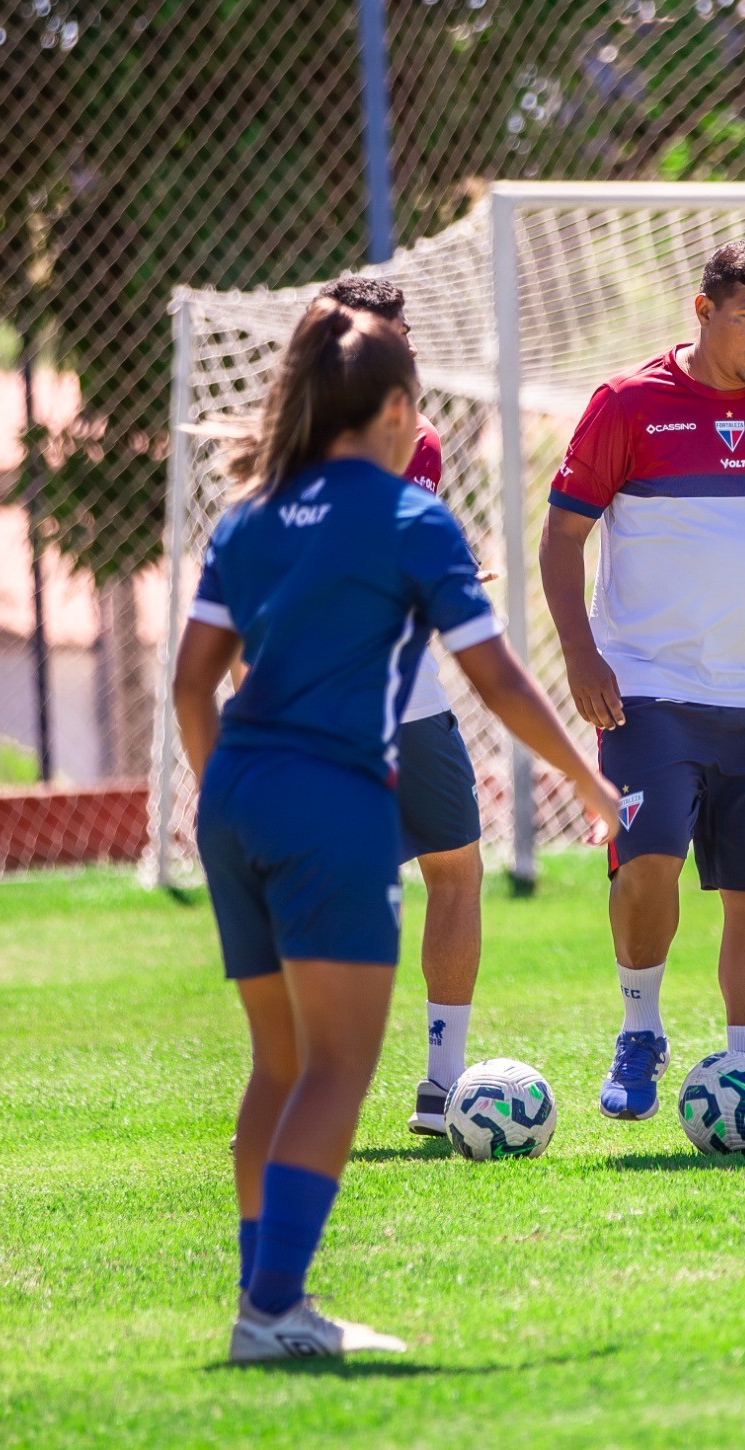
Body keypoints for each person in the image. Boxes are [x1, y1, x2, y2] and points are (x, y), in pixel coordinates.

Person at [172, 303, 618, 1362]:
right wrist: (585, 784)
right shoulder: (411, 517)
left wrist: (222, 793)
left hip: (235, 792)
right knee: (336, 1066)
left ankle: (262, 1302)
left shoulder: (248, 516)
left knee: (278, 1063)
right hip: (332, 799)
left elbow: (193, 682)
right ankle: (274, 1310)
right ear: (394, 407)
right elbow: (496, 676)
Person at [540, 239, 745, 1147]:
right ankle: (640, 1027)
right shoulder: (629, 406)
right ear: (703, 310)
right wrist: (580, 654)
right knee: (647, 865)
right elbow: (561, 540)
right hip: (646, 690)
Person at [304, 278, 491, 1140]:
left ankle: (439, 1088)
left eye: (409, 339)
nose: (408, 353)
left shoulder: (419, 442)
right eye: (393, 338)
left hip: (394, 705)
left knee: (451, 873)